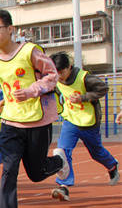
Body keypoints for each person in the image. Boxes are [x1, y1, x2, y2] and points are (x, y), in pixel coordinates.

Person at [0, 9, 69, 208]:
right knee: (9, 170)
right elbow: (7, 83)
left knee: (35, 172)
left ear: (10, 29)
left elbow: (52, 76)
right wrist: (4, 101)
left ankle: (60, 161)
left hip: (37, 119)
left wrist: (32, 90)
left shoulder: (31, 51)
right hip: (10, 122)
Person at [50, 52, 119, 196]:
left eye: (61, 72)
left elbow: (103, 89)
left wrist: (83, 97)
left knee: (96, 153)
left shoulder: (84, 78)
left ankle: (112, 165)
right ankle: (64, 185)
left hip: (89, 121)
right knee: (62, 151)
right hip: (70, 120)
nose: (59, 76)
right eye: (56, 72)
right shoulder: (54, 79)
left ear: (69, 67)